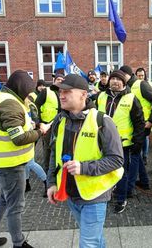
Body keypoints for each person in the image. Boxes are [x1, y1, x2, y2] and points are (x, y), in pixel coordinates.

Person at [47, 74, 124, 247]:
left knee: (88, 243)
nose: (61, 95)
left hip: (95, 195)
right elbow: (54, 154)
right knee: (94, 239)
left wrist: (84, 168)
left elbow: (117, 159)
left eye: (67, 91)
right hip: (71, 194)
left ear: (83, 94)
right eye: (60, 91)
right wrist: (51, 183)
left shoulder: (102, 121)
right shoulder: (60, 120)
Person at [0, 70, 50, 248]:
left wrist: (34, 124)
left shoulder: (4, 99)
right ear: (20, 88)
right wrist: (40, 131)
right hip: (11, 165)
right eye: (27, 91)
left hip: (5, 163)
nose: (29, 95)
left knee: (4, 200)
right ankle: (19, 243)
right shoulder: (9, 104)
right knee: (15, 206)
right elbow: (18, 138)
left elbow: (17, 124)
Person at [96, 70, 145, 213]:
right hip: (101, 141)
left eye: (119, 79)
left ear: (124, 83)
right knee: (104, 170)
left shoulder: (131, 98)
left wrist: (138, 141)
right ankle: (107, 193)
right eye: (113, 79)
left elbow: (139, 122)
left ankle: (121, 198)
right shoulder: (101, 96)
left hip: (122, 144)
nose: (115, 82)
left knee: (121, 172)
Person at [120, 65, 152, 190]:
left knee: (134, 156)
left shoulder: (141, 84)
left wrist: (150, 121)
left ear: (126, 74)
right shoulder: (127, 86)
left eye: (121, 76)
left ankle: (129, 187)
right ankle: (144, 181)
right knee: (136, 155)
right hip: (133, 126)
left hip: (142, 126)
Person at [35, 81, 61, 172]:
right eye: (58, 79)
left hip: (60, 124)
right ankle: (47, 169)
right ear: (55, 80)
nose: (60, 81)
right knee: (48, 147)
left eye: (62, 79)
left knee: (58, 147)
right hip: (47, 125)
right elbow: (36, 105)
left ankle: (56, 167)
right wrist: (39, 122)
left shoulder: (64, 90)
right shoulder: (47, 91)